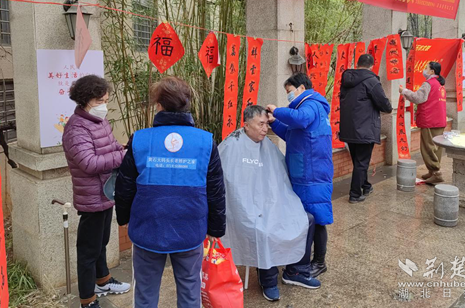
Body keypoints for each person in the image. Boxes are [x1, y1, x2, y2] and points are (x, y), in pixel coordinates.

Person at [114, 76, 226, 308]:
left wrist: (123, 217)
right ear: (187, 104)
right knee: (190, 292)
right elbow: (215, 189)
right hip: (190, 228)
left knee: (145, 294)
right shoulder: (205, 141)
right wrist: (216, 228)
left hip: (148, 228)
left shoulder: (139, 139)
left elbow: (125, 185)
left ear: (159, 105)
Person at [219, 105, 319, 302]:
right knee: (263, 229)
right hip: (243, 210)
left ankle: (296, 270)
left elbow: (279, 176)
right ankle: (268, 280)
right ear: (246, 125)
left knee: (306, 219)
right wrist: (251, 207)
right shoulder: (231, 146)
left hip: (272, 203)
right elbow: (229, 187)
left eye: (267, 124)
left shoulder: (268, 146)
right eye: (261, 124)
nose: (265, 129)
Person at [62, 75, 131, 308]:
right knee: (88, 251)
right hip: (91, 196)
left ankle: (103, 281)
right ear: (86, 100)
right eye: (100, 101)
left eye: (106, 101)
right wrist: (122, 156)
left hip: (106, 191)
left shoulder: (99, 121)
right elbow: (89, 163)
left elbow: (111, 146)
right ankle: (87, 300)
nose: (104, 106)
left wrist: (124, 148)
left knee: (102, 241)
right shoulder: (76, 128)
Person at [267, 72, 333, 279]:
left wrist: (276, 111)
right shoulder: (306, 108)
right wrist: (273, 122)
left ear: (302, 88)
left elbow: (301, 119)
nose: (288, 95)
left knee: (318, 218)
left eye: (289, 91)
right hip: (305, 173)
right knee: (307, 218)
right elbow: (290, 134)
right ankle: (304, 259)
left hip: (313, 174)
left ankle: (319, 262)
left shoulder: (311, 105)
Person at [340, 54, 392, 204]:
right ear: (371, 66)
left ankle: (366, 186)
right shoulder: (371, 81)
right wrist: (388, 108)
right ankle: (355, 194)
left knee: (358, 161)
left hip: (349, 128)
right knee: (362, 162)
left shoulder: (346, 79)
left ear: (358, 64)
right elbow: (384, 104)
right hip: (364, 128)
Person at [400, 61, 447, 185]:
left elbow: (418, 98)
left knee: (428, 148)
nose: (424, 70)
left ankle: (436, 173)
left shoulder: (428, 83)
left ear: (432, 71)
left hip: (429, 119)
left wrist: (404, 91)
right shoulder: (440, 83)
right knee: (436, 147)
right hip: (439, 119)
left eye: (426, 68)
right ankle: (432, 172)